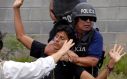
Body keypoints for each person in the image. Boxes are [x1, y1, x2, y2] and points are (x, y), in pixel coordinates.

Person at [0, 31, 74, 79]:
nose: (57, 40)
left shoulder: (71, 60)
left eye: (62, 38)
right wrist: (61, 52)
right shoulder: (5, 68)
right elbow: (36, 68)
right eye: (56, 36)